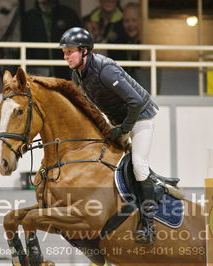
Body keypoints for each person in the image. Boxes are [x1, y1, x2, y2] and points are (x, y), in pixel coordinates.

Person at [59, 27, 159, 244]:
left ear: (84, 51)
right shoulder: (77, 74)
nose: (66, 56)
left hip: (140, 117)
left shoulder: (105, 70)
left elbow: (137, 101)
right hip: (117, 120)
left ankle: (148, 223)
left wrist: (123, 129)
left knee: (139, 164)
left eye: (70, 52)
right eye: (64, 52)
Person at [22, 0, 81, 79]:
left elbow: (79, 42)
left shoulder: (68, 14)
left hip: (64, 70)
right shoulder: (28, 17)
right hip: (37, 72)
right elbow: (21, 47)